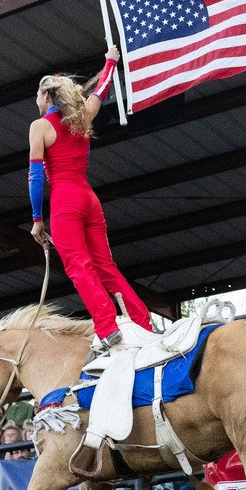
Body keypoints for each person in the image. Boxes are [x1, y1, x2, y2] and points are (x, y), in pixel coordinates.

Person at [28, 46, 153, 352]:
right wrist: (111, 60)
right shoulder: (84, 116)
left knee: (78, 266)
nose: (36, 101)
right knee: (105, 266)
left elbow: (33, 178)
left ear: (46, 96)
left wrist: (36, 221)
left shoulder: (40, 127)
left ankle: (107, 327)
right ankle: (144, 323)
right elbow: (102, 87)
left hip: (65, 201)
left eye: (37, 95)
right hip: (89, 198)